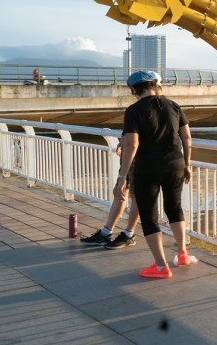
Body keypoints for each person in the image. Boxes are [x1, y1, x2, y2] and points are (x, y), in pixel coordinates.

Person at [118, 70, 197, 278]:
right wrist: (187, 164)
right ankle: (182, 254)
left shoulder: (133, 111)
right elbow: (187, 138)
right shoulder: (174, 106)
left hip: (148, 167)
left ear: (135, 89)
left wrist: (123, 176)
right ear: (155, 85)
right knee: (174, 207)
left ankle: (161, 267)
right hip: (175, 164)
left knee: (149, 215)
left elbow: (131, 143)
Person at [80, 137, 141, 249]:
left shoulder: (139, 118)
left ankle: (129, 234)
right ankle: (106, 232)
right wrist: (124, 139)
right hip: (128, 157)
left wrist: (127, 141)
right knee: (120, 194)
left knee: (136, 196)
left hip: (140, 157)